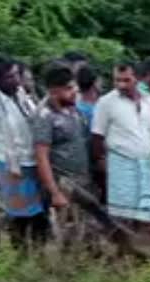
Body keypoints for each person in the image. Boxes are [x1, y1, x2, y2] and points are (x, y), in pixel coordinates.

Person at [0, 53, 47, 252]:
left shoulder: (22, 96)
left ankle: (39, 255)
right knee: (19, 215)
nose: (16, 80)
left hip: (32, 161)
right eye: (10, 77)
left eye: (16, 75)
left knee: (39, 213)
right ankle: (21, 255)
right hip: (10, 166)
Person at [32, 65, 97, 251]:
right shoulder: (44, 116)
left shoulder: (74, 110)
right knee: (67, 235)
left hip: (83, 181)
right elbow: (41, 156)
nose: (74, 91)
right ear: (54, 91)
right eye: (68, 88)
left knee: (86, 233)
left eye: (74, 87)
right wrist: (55, 192)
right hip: (63, 184)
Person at [91, 62, 150, 227]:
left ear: (137, 79)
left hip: (146, 166)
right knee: (121, 219)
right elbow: (97, 136)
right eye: (117, 80)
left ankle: (144, 250)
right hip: (120, 166)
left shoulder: (149, 100)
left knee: (145, 217)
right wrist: (101, 161)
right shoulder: (106, 102)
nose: (121, 85)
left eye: (126, 80)